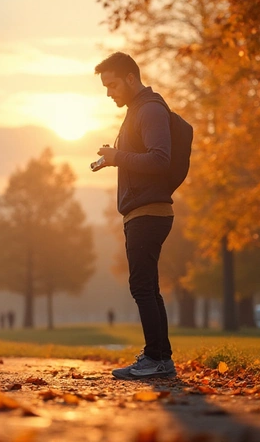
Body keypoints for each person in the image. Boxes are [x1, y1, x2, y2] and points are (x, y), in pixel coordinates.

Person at [93, 52, 176, 380]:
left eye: (112, 85)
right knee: (148, 287)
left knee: (141, 286)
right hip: (141, 212)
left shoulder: (151, 109)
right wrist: (112, 159)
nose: (108, 92)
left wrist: (117, 157)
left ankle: (155, 358)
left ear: (130, 78)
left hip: (149, 212)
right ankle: (161, 358)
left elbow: (160, 160)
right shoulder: (137, 111)